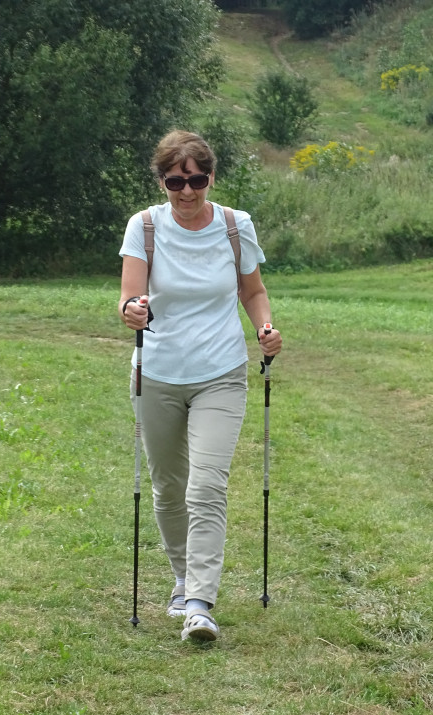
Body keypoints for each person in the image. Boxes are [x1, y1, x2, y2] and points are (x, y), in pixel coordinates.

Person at [118, 130, 282, 642]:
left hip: (221, 372)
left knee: (206, 485)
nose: (186, 192)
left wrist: (264, 328)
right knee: (168, 489)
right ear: (162, 181)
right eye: (174, 181)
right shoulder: (144, 228)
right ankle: (182, 576)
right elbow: (128, 299)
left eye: (196, 180)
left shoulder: (236, 226)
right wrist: (132, 311)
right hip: (158, 374)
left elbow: (252, 291)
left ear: (210, 177)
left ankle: (199, 605)